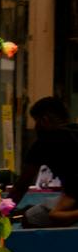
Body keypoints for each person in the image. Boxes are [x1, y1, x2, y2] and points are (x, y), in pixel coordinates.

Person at [10, 97, 78, 227]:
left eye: (36, 121)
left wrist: (2, 211)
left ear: (44, 120)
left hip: (72, 198)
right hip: (70, 196)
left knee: (29, 218)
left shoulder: (44, 142)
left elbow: (21, 186)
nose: (35, 127)